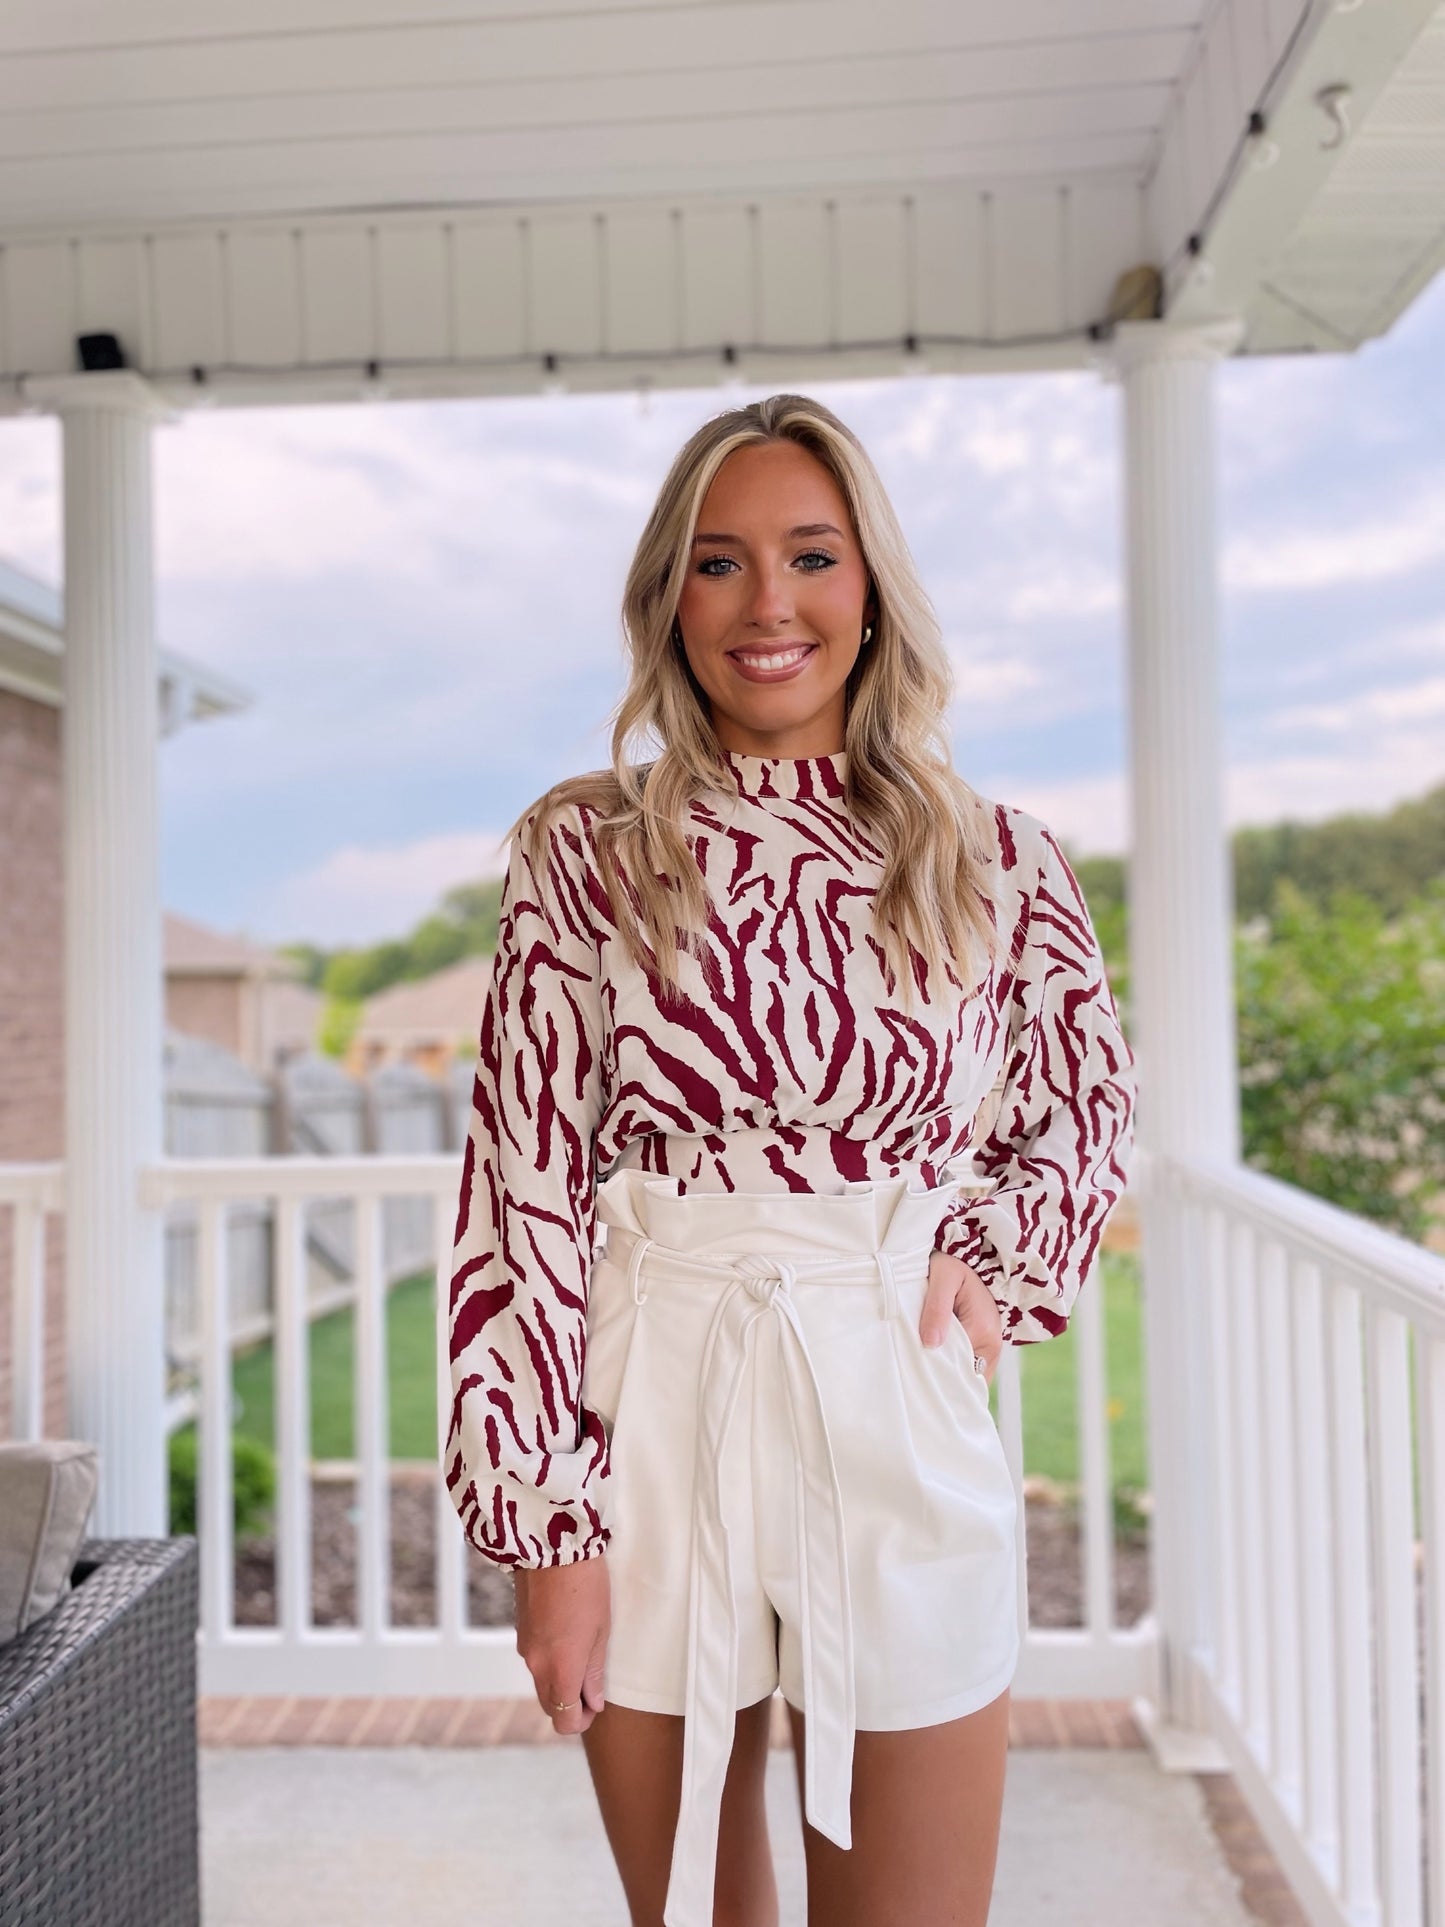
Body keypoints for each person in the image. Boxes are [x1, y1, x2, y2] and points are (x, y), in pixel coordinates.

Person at [443, 392, 1137, 1927]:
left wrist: (986, 1261)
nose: (769, 605)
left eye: (812, 556)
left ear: (871, 584)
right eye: (717, 562)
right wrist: (545, 1535)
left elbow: (1082, 1110)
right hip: (649, 1406)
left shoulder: (995, 857)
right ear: (664, 603)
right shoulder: (586, 854)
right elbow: (522, 1196)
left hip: (889, 1385)